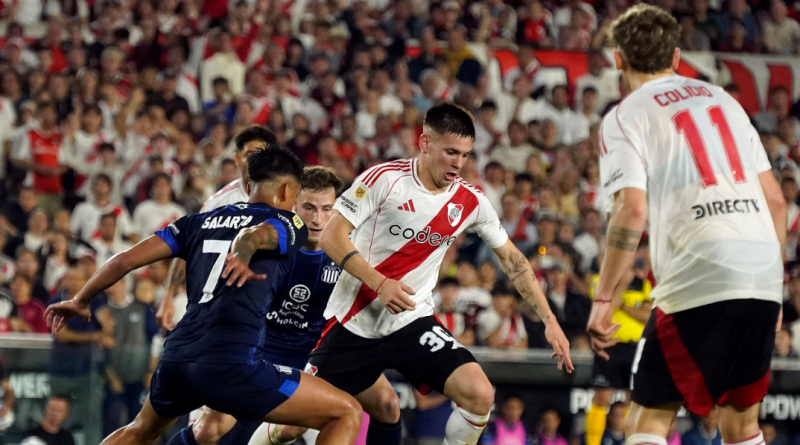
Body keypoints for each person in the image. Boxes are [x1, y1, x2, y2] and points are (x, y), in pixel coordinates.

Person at [44, 145, 363, 445]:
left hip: (178, 356)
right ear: (286, 191)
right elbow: (257, 234)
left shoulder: (197, 221)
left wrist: (80, 299)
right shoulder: (288, 221)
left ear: (248, 184)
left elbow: (123, 260)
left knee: (139, 431)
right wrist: (244, 250)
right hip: (234, 362)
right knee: (345, 412)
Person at [308, 103, 572, 445]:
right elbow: (331, 236)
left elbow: (513, 260)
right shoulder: (385, 179)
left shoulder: (471, 201)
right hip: (353, 321)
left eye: (465, 155)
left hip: (410, 320)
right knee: (297, 423)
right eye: (450, 152)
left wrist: (549, 320)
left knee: (480, 394)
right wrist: (379, 283)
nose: (458, 163)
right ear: (425, 143)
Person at [587, 6, 786, 445]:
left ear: (618, 59)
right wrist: (772, 289)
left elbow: (631, 210)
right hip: (763, 276)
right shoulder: (725, 100)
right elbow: (776, 201)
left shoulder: (624, 115)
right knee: (741, 425)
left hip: (700, 271)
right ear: (676, 57)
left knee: (647, 421)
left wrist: (604, 299)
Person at [170, 167, 400, 445]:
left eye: (327, 209)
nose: (317, 219)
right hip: (263, 348)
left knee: (388, 405)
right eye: (309, 207)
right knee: (209, 430)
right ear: (294, 206)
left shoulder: (352, 250)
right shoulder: (275, 243)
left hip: (321, 353)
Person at [585, 241, 652, 445]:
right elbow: (606, 310)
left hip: (635, 347)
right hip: (609, 345)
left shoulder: (643, 284)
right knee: (602, 397)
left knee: (634, 399)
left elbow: (647, 316)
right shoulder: (600, 281)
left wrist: (623, 305)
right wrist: (623, 284)